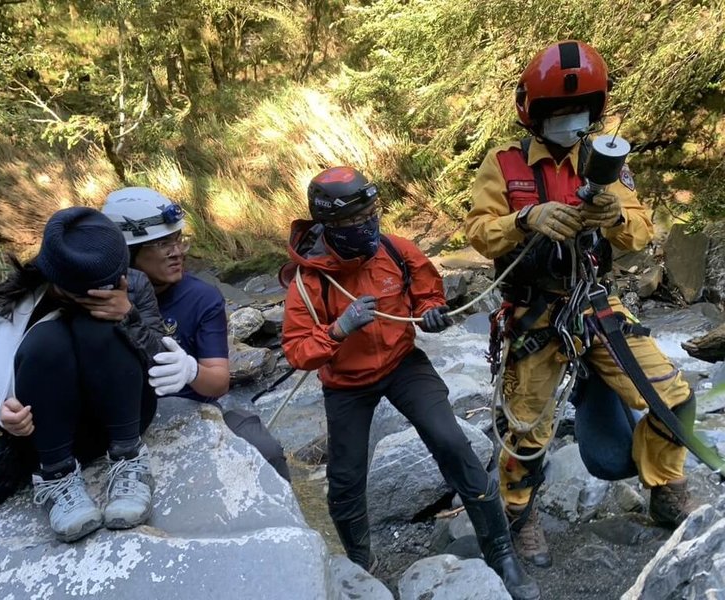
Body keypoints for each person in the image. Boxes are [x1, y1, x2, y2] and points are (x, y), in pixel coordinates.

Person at [465, 40, 696, 567]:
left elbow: (639, 234)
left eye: (580, 112)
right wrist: (527, 219)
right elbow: (478, 231)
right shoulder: (504, 166)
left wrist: (613, 216)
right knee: (524, 428)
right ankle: (520, 515)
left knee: (674, 397)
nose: (571, 121)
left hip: (597, 303)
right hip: (536, 312)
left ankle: (664, 488)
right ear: (535, 114)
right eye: (560, 112)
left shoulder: (610, 165)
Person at [280, 166, 539, 600]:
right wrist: (339, 330)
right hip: (346, 384)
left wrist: (434, 313)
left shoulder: (395, 250)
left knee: (451, 442)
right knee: (344, 478)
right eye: (351, 220)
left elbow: (427, 293)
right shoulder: (309, 282)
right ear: (329, 225)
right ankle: (362, 568)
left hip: (403, 365)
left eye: (370, 213)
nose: (364, 225)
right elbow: (297, 350)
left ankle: (502, 556)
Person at [0, 207, 164, 542]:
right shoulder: (3, 309)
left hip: (120, 418)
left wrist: (129, 316)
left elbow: (163, 365)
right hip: (46, 434)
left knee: (98, 330)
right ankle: (57, 478)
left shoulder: (134, 285)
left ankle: (129, 461)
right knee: (47, 338)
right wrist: (1, 411)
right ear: (56, 276)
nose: (110, 285)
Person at [101, 187, 291, 482]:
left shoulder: (201, 298)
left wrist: (190, 370)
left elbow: (218, 382)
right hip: (122, 421)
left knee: (266, 450)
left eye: (178, 240)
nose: (176, 252)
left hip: (194, 410)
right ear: (128, 252)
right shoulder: (97, 300)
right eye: (162, 243)